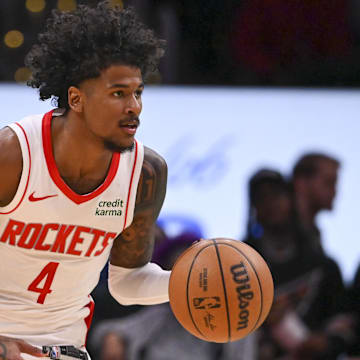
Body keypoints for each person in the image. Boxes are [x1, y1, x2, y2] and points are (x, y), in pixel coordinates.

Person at [0, 2, 171, 359]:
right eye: (118, 93)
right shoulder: (12, 155)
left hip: (66, 349)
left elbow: (126, 282)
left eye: (138, 92)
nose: (134, 106)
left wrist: (184, 284)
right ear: (76, 99)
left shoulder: (145, 174)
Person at [90, 231, 257, 360]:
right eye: (177, 273)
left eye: (195, 271)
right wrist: (112, 338)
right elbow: (109, 330)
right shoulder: (163, 314)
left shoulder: (229, 319)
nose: (189, 280)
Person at [244, 168, 354, 360]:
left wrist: (326, 341)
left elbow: (344, 321)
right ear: (253, 208)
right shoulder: (237, 265)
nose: (271, 204)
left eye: (277, 195)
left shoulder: (322, 265)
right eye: (261, 198)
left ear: (290, 199)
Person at [291, 152, 340, 254]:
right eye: (328, 182)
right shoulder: (279, 234)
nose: (334, 191)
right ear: (301, 183)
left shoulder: (311, 233)